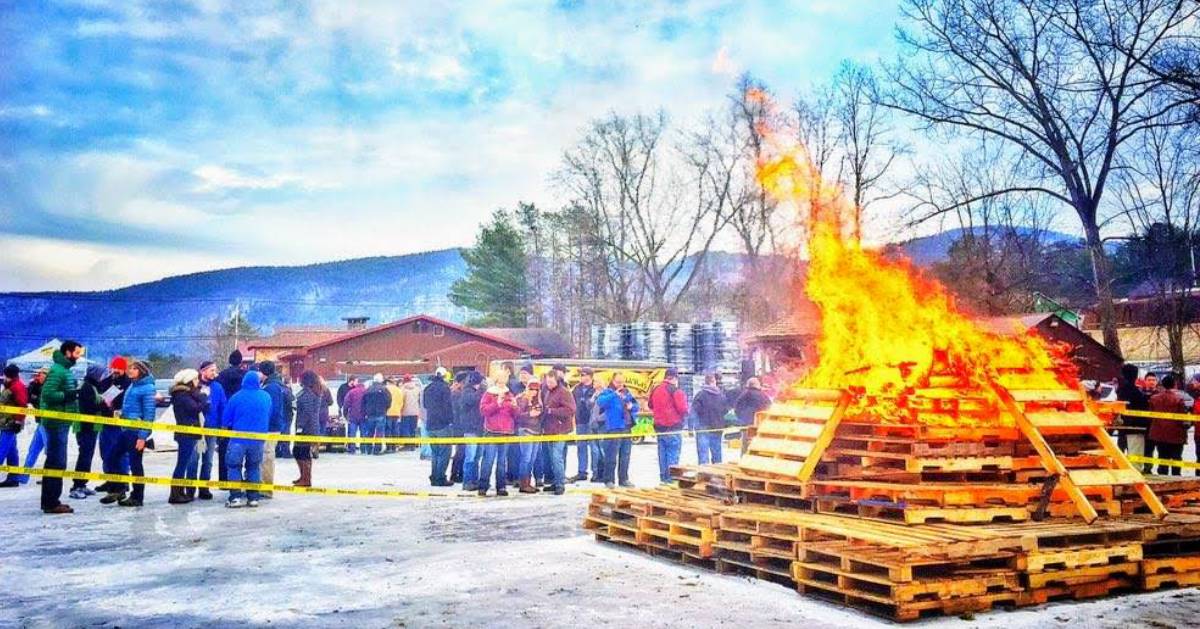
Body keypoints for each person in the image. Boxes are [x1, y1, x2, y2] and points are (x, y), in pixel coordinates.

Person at [37, 341, 85, 514]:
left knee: (56, 461)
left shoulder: (64, 370)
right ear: (68, 352)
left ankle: (50, 500)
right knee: (56, 462)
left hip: (62, 421)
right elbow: (48, 394)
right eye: (77, 352)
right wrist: (68, 395)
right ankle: (51, 502)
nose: (79, 356)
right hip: (56, 422)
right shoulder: (58, 370)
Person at [102, 359, 157, 508]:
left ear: (141, 370)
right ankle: (118, 488)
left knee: (135, 464)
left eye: (134, 368)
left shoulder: (147, 388)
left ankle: (137, 496)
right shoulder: (133, 385)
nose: (130, 370)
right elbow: (130, 409)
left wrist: (142, 436)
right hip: (126, 429)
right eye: (130, 368)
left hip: (136, 432)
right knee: (111, 457)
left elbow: (149, 414)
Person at [223, 370, 272, 507]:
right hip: (258, 439)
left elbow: (226, 419)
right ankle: (253, 498)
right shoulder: (266, 397)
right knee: (254, 467)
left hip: (238, 439)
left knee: (234, 467)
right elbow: (269, 414)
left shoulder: (236, 397)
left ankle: (235, 498)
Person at [69, 364, 109, 499]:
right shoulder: (86, 387)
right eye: (101, 374)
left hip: (91, 427)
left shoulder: (92, 386)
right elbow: (88, 407)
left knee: (87, 456)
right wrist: (103, 404)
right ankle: (77, 485)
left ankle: (82, 483)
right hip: (86, 427)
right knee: (84, 456)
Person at [168, 368, 208, 504]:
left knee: (183, 463)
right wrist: (203, 397)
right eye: (196, 379)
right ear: (189, 381)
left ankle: (179, 492)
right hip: (186, 433)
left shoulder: (185, 394)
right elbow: (195, 408)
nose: (198, 381)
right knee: (182, 464)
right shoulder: (182, 395)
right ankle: (175, 494)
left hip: (188, 431)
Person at [596, 374, 638, 489]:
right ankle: (609, 480)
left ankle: (623, 479)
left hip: (627, 426)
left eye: (622, 382)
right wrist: (614, 394)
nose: (620, 384)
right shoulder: (608, 392)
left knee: (625, 455)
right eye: (618, 382)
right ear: (613, 381)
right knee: (611, 455)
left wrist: (632, 407)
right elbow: (600, 402)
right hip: (613, 428)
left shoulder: (627, 392)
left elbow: (636, 406)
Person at [95, 357, 130, 495]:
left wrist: (115, 405)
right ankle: (110, 479)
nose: (115, 371)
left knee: (120, 453)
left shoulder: (128, 383)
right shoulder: (105, 382)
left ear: (123, 369)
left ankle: (123, 481)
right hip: (105, 421)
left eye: (118, 368)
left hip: (119, 423)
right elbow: (99, 398)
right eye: (113, 368)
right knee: (105, 452)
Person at [648, 368, 689, 484]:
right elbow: (683, 409)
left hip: (659, 428)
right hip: (673, 427)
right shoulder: (676, 391)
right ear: (674, 378)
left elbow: (650, 405)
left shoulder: (656, 389)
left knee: (662, 454)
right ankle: (672, 478)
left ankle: (663, 478)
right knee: (673, 454)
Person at [259, 361, 294, 497]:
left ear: (264, 372)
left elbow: (271, 409)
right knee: (266, 457)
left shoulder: (271, 387)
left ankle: (266, 489)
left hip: (270, 427)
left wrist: (264, 423)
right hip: (274, 425)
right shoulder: (274, 384)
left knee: (267, 457)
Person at [478, 382, 517, 497]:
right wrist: (497, 403)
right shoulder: (488, 394)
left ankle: (501, 486)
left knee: (502, 462)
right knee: (488, 460)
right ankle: (483, 486)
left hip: (506, 432)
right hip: (491, 432)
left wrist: (515, 407)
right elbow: (483, 411)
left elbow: (515, 415)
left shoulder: (510, 395)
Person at [541, 371, 577, 496]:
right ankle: (556, 482)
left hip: (560, 429)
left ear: (557, 381)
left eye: (551, 382)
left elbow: (571, 409)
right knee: (552, 458)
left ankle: (560, 484)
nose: (548, 384)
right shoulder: (547, 391)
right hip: (549, 429)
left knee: (557, 458)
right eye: (547, 381)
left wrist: (552, 411)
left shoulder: (564, 392)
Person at [1148, 374, 1190, 476]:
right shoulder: (1179, 399)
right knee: (1176, 458)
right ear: (1174, 385)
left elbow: (1150, 415)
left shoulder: (1154, 399)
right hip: (1176, 434)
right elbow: (1182, 418)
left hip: (1159, 434)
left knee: (1162, 457)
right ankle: (1176, 479)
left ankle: (1163, 479)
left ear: (1162, 384)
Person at [196, 360, 226, 499]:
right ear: (203, 371)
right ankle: (189, 488)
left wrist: (222, 427)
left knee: (208, 460)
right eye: (211, 370)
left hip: (212, 428)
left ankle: (204, 488)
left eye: (215, 370)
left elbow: (222, 407)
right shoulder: (194, 385)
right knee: (193, 460)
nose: (215, 373)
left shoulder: (218, 387)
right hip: (196, 428)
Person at [1115, 364, 1151, 471]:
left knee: (1122, 451)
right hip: (1135, 426)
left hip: (1124, 426)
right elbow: (1141, 406)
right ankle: (1135, 474)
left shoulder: (1121, 389)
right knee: (1135, 453)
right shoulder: (1134, 391)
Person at [423, 369, 455, 486]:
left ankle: (434, 476)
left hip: (430, 424)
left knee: (435, 452)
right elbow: (448, 407)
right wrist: (451, 421)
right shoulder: (444, 388)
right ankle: (440, 477)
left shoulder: (427, 388)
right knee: (444, 452)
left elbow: (425, 405)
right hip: (443, 425)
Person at [293, 370, 324, 487]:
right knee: (301, 452)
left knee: (301, 452)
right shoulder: (313, 391)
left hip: (306, 428)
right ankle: (304, 477)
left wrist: (300, 427)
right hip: (312, 426)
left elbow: (307, 413)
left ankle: (306, 479)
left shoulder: (308, 394)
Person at [453, 370, 483, 490]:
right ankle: (467, 481)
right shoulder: (467, 392)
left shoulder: (473, 391)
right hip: (470, 429)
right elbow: (472, 401)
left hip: (479, 429)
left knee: (476, 457)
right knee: (470, 456)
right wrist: (481, 391)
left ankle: (474, 480)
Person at [18, 367, 48, 485]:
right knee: (33, 450)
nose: (39, 376)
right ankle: (24, 476)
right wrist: (32, 389)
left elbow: (41, 402)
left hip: (46, 422)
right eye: (39, 374)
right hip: (40, 422)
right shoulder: (35, 386)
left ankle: (49, 477)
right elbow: (30, 399)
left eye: (42, 374)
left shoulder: (49, 387)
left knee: (49, 450)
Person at [693, 373, 730, 467]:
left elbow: (694, 412)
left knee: (703, 456)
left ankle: (704, 475)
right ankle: (717, 475)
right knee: (717, 454)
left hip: (703, 428)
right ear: (714, 382)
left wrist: (691, 427)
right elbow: (726, 412)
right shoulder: (721, 396)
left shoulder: (700, 395)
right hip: (717, 428)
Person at [0, 365, 29, 487]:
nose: (4, 378)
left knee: (1, 450)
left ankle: (13, 477)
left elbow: (22, 405)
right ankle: (13, 477)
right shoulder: (12, 385)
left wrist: (18, 422)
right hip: (6, 422)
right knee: (12, 451)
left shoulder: (17, 387)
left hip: (10, 423)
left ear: (10, 375)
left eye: (6, 376)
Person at [570, 368, 600, 483]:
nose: (583, 377)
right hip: (580, 421)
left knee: (594, 448)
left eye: (585, 375)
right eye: (582, 375)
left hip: (592, 422)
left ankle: (596, 471)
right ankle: (582, 472)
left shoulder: (595, 388)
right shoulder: (577, 389)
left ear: (591, 376)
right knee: (581, 447)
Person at [514, 381, 543, 494]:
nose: (533, 392)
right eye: (531, 389)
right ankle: (523, 483)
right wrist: (529, 414)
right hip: (525, 430)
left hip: (536, 431)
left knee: (532, 458)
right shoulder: (521, 399)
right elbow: (517, 415)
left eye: (536, 390)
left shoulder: (538, 399)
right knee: (526, 458)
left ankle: (528, 482)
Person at [733, 377, 772, 453]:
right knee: (758, 446)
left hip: (746, 425)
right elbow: (769, 408)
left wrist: (742, 418)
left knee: (746, 446)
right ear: (758, 385)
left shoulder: (744, 395)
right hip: (760, 425)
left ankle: (744, 459)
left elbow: (737, 408)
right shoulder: (763, 396)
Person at [362, 374, 392, 456]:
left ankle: (368, 449)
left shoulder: (368, 389)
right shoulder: (384, 389)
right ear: (381, 380)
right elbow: (389, 401)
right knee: (379, 433)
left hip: (370, 414)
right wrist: (385, 409)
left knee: (369, 432)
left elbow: (363, 402)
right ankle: (376, 450)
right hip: (381, 413)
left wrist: (365, 411)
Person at [449, 371, 468, 481]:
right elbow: (459, 409)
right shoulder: (456, 394)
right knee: (461, 452)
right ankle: (456, 473)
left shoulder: (456, 392)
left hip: (459, 425)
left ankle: (459, 473)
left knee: (461, 451)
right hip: (459, 426)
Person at [342, 379, 367, 454]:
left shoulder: (351, 392)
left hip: (353, 416)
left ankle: (352, 449)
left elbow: (346, 404)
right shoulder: (366, 392)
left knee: (352, 433)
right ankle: (363, 449)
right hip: (363, 416)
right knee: (363, 433)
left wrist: (345, 414)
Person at [399, 375, 422, 451]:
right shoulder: (417, 388)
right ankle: (412, 444)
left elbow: (401, 401)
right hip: (415, 412)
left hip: (405, 412)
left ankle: (407, 445)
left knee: (406, 429)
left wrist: (400, 410)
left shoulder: (403, 389)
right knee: (413, 429)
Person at [384, 377, 404, 453]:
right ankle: (394, 446)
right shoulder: (398, 390)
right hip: (396, 412)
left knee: (388, 430)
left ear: (388, 382)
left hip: (388, 412)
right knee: (395, 429)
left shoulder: (386, 389)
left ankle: (389, 447)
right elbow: (401, 402)